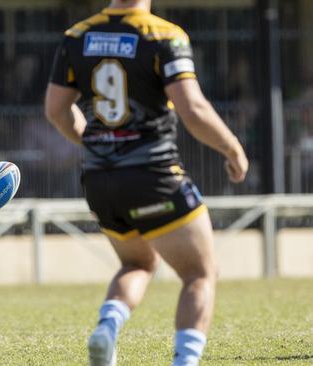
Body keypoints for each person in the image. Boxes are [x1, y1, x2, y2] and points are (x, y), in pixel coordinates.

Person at [44, 1, 248, 366]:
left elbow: (56, 109)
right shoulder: (164, 35)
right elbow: (193, 109)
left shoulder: (77, 36)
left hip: (100, 180)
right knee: (200, 273)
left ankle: (106, 328)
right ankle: (184, 361)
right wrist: (232, 148)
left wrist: (95, 143)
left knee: (137, 264)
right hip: (152, 175)